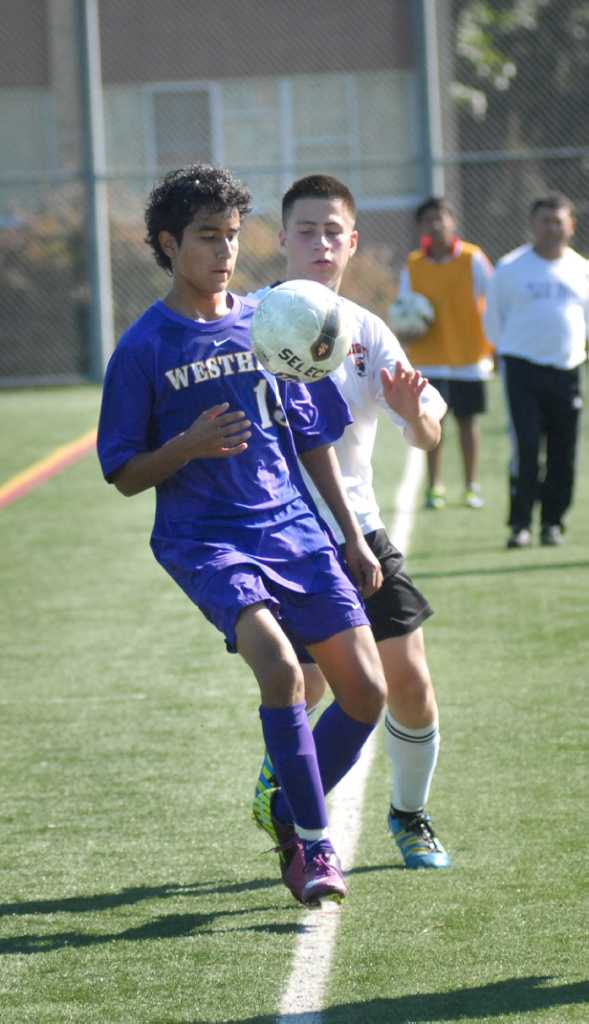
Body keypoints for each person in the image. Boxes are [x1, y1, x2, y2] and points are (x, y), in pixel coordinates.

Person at [96, 164, 389, 907]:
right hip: (207, 540)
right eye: (206, 238)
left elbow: (312, 436)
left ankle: (289, 807)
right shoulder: (143, 348)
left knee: (365, 694)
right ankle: (314, 850)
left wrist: (351, 538)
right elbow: (125, 473)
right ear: (167, 244)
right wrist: (186, 446)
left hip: (293, 526)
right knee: (281, 669)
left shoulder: (271, 319)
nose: (224, 252)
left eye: (231, 237)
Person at [250, 174, 452, 869]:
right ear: (281, 239)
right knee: (306, 687)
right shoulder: (246, 321)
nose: (320, 242)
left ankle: (409, 815)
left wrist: (414, 411)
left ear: (352, 242)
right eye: (306, 229)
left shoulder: (366, 334)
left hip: (356, 531)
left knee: (412, 687)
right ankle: (283, 783)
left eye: (333, 230)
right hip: (279, 535)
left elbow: (427, 437)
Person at [484, 193, 588, 549]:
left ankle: (553, 523)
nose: (552, 228)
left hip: (567, 370)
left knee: (564, 451)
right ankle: (521, 524)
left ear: (571, 226)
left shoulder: (581, 269)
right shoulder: (510, 268)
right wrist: (508, 354)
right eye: (545, 221)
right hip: (522, 370)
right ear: (532, 225)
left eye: (558, 221)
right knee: (526, 448)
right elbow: (494, 321)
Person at [398, 196, 494, 510]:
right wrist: (407, 329)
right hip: (428, 358)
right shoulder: (413, 264)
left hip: (469, 357)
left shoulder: (472, 258)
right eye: (428, 219)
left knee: (468, 423)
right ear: (420, 227)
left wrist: (493, 347)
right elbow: (405, 309)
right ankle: (434, 487)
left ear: (453, 222)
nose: (435, 224)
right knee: (432, 423)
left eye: (441, 217)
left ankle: (471, 486)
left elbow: (492, 299)